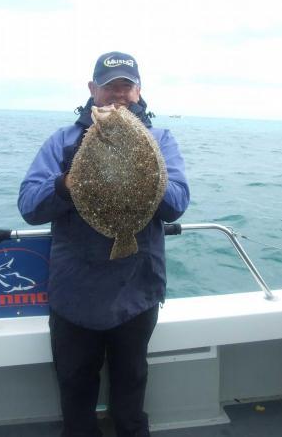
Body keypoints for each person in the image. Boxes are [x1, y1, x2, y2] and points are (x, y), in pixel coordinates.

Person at [18, 51, 190, 437]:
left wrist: (142, 171)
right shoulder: (63, 142)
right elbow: (29, 206)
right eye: (109, 86)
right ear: (93, 89)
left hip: (137, 289)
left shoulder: (160, 140)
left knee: (131, 385)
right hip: (74, 292)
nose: (118, 94)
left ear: (139, 91)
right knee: (75, 387)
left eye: (126, 86)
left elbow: (176, 204)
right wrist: (67, 183)